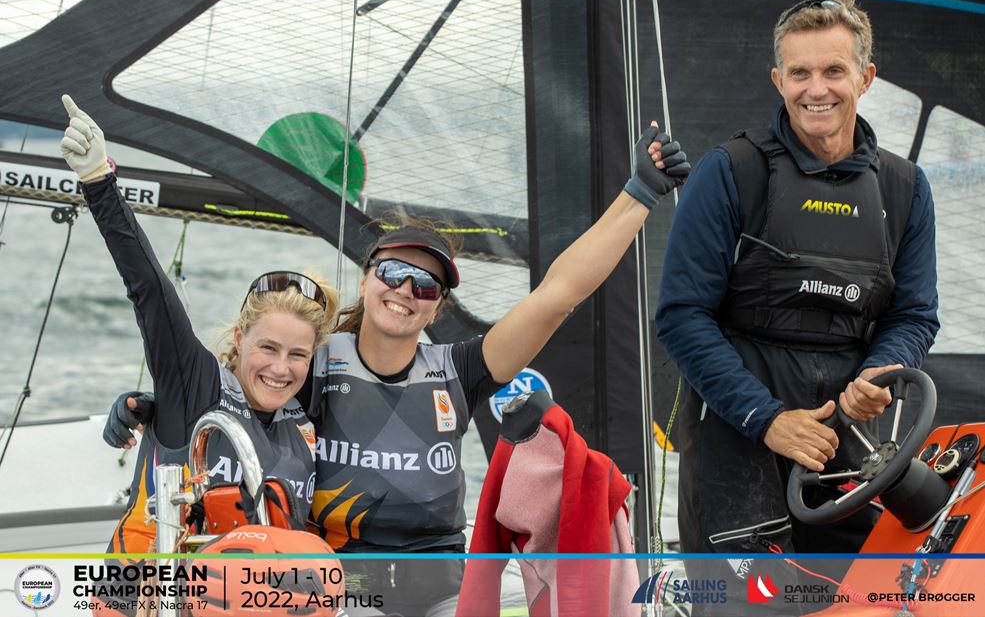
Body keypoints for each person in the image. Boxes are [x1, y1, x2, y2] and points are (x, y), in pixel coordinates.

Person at [106, 119, 691, 616]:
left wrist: (639, 192)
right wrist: (154, 413)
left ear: (438, 304)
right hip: (337, 587)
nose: (406, 290)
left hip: (440, 589)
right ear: (365, 278)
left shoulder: (459, 369)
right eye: (392, 273)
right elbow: (231, 388)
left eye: (427, 284)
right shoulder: (313, 361)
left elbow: (557, 295)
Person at [655, 0, 938, 614]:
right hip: (738, 439)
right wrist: (768, 419)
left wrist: (881, 372)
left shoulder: (906, 188)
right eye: (800, 73)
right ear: (778, 79)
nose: (817, 90)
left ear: (866, 77)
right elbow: (679, 314)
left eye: (833, 71)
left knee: (864, 604)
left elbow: (914, 314)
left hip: (854, 446)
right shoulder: (729, 170)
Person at [59, 95, 339, 562]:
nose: (280, 368)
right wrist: (98, 182)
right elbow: (149, 290)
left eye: (298, 356)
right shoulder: (197, 386)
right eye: (268, 347)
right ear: (238, 339)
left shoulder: (305, 423)